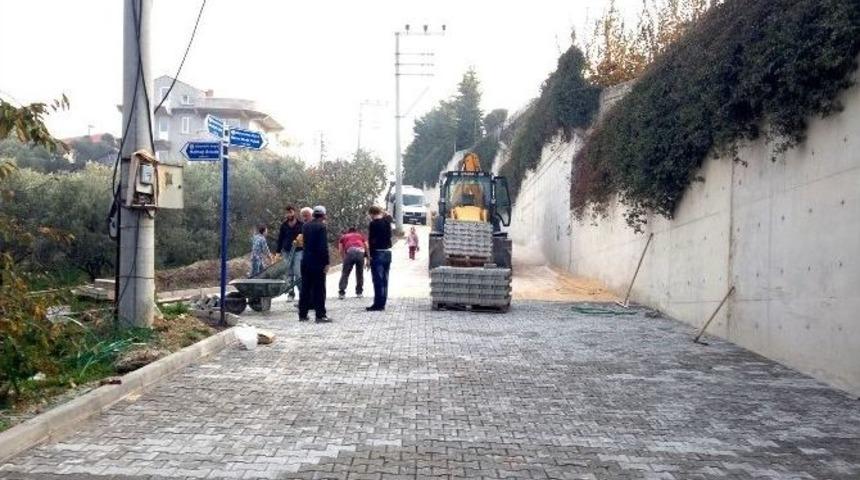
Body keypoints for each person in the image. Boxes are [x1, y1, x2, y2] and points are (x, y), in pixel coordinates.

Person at [298, 205, 332, 323]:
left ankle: (302, 315)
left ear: (313, 214)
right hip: (317, 263)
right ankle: (320, 315)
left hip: (305, 261)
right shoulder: (321, 226)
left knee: (305, 288)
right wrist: (326, 262)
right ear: (323, 215)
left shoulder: (305, 226)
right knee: (319, 289)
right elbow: (323, 247)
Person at [366, 205, 392, 311]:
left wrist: (369, 256)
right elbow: (388, 216)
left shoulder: (373, 224)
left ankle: (378, 304)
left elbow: (371, 240)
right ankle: (383, 302)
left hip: (377, 253)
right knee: (385, 279)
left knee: (377, 280)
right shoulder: (386, 222)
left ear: (372, 214)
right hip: (387, 253)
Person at [276, 205, 303, 301]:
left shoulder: (301, 224)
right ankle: (291, 294)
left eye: (290, 212)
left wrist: (301, 241)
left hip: (298, 251)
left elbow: (305, 238)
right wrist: (278, 253)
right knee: (288, 273)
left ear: (294, 212)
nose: (288, 214)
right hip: (286, 251)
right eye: (287, 213)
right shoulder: (284, 225)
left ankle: (302, 294)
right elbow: (280, 239)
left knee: (298, 272)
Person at [337, 226, 367, 299]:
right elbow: (366, 246)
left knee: (345, 273)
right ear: (356, 231)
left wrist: (343, 258)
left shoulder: (344, 237)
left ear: (348, 231)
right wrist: (368, 258)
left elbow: (340, 249)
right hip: (360, 252)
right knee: (360, 273)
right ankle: (359, 292)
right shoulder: (360, 236)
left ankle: (342, 292)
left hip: (350, 253)